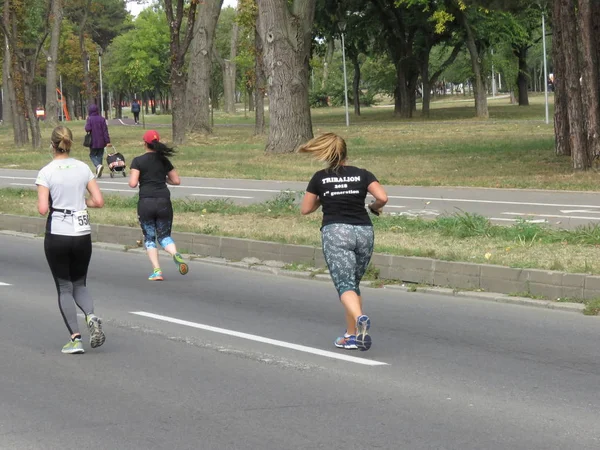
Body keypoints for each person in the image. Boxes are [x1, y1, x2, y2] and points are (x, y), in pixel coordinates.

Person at [299, 132, 388, 351]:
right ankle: (351, 336)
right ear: (346, 152)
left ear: (325, 154)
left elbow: (305, 209)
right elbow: (382, 198)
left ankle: (359, 318)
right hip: (364, 231)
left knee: (344, 284)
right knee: (353, 284)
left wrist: (325, 197)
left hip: (336, 231)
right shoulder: (363, 174)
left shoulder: (320, 178)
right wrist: (374, 208)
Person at [36, 126, 106, 354]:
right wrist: (80, 202)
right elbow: (98, 201)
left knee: (64, 287)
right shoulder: (83, 168)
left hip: (58, 233)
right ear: (71, 143)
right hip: (82, 234)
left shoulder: (46, 172)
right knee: (80, 283)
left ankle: (75, 339)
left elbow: (42, 208)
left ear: (52, 145)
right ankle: (91, 316)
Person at [128, 129, 189, 281]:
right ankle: (175, 254)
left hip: (146, 202)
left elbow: (133, 183)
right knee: (164, 236)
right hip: (163, 201)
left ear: (145, 143)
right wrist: (163, 179)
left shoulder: (138, 161)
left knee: (149, 237)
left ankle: (157, 271)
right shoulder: (164, 161)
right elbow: (176, 181)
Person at [84, 103, 111, 178]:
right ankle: (99, 170)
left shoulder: (90, 119)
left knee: (92, 155)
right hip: (102, 141)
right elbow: (105, 131)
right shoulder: (102, 119)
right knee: (100, 155)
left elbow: (87, 129)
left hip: (93, 141)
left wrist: (87, 122)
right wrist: (107, 141)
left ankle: (98, 166)